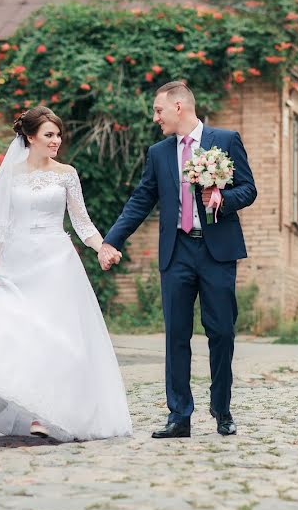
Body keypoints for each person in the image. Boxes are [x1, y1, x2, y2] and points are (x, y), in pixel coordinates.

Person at [0, 106, 133, 442]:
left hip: (56, 263)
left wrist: (102, 246)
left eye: (58, 134)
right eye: (49, 135)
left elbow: (82, 223)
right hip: (18, 262)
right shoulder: (10, 175)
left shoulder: (67, 174)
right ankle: (25, 404)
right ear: (30, 137)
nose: (56, 140)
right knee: (18, 333)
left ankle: (47, 415)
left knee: (58, 338)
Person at [99, 81, 257, 439]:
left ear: (179, 107)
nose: (155, 118)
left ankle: (222, 409)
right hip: (177, 251)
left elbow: (249, 188)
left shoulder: (226, 140)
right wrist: (111, 241)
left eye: (159, 110)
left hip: (217, 250)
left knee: (221, 332)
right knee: (176, 336)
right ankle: (179, 416)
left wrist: (222, 198)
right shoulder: (158, 153)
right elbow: (141, 200)